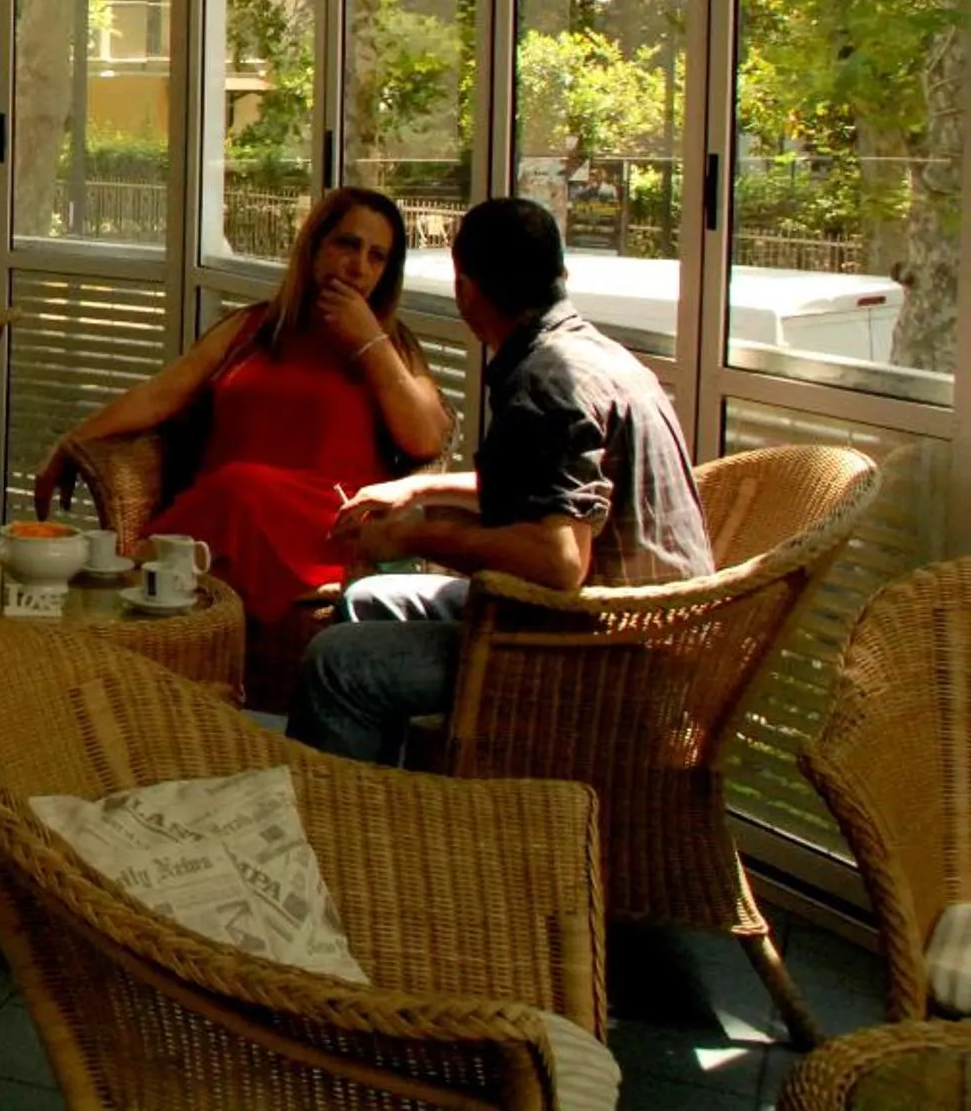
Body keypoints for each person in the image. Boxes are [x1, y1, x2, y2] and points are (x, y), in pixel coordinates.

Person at [287, 196, 712, 764]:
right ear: (559, 275)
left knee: (337, 662)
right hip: (648, 630)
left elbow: (557, 561)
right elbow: (554, 495)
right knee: (369, 599)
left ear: (467, 289)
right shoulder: (591, 353)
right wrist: (419, 489)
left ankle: (333, 829)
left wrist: (416, 535)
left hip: (608, 655)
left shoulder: (546, 382)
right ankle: (394, 796)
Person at [66, 187, 451, 626]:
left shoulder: (393, 346)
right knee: (233, 493)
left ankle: (142, 589)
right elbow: (159, 395)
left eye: (377, 257)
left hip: (324, 520)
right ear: (314, 248)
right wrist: (74, 440)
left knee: (238, 486)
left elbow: (425, 438)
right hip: (224, 515)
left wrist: (368, 341)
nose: (358, 266)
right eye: (347, 244)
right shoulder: (253, 327)